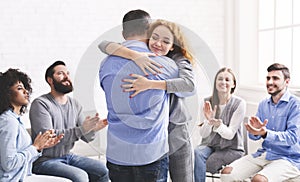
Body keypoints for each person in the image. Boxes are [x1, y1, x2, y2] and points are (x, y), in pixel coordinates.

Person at [99, 19, 195, 182]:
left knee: (182, 177)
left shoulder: (177, 61)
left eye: (165, 41)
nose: (158, 43)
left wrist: (149, 84)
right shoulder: (145, 56)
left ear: (173, 46)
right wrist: (136, 56)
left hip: (176, 128)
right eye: (155, 38)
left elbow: (189, 85)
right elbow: (103, 44)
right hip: (155, 131)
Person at [29, 61, 109, 182]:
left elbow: (86, 138)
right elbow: (49, 138)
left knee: (104, 170)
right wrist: (82, 129)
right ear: (50, 80)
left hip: (68, 155)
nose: (66, 77)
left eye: (67, 73)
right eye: (60, 73)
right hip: (44, 160)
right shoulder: (41, 104)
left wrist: (93, 129)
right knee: (80, 176)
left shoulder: (74, 104)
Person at [220, 63, 300, 182]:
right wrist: (255, 131)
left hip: (288, 158)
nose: (270, 82)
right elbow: (255, 136)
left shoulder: (295, 104)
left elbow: (292, 138)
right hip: (265, 154)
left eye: (275, 78)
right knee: (227, 173)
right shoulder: (263, 104)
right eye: (268, 78)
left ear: (287, 82)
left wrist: (265, 133)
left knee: (258, 180)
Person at [0, 68, 70, 182]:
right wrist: (35, 147)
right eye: (19, 88)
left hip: (23, 176)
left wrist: (40, 147)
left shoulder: (15, 120)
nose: (26, 92)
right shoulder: (8, 122)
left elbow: (24, 156)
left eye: (25, 88)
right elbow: (9, 163)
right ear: (7, 93)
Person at [194, 67, 246, 182]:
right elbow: (203, 134)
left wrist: (218, 125)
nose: (223, 82)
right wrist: (208, 121)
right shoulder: (206, 101)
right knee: (196, 153)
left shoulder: (239, 103)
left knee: (208, 162)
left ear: (233, 84)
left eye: (227, 80)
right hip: (210, 145)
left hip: (232, 149)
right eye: (220, 79)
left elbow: (230, 135)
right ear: (215, 83)